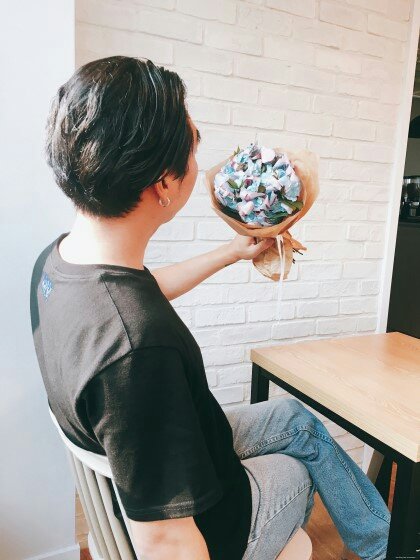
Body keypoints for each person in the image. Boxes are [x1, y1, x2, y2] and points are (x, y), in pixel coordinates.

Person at [29, 56, 391, 560]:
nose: (199, 163)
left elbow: (141, 291)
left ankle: (385, 545)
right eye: (194, 144)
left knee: (293, 418)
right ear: (164, 182)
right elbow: (168, 544)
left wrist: (233, 251)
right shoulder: (139, 353)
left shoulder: (61, 265)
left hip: (166, 458)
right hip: (211, 524)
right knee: (299, 467)